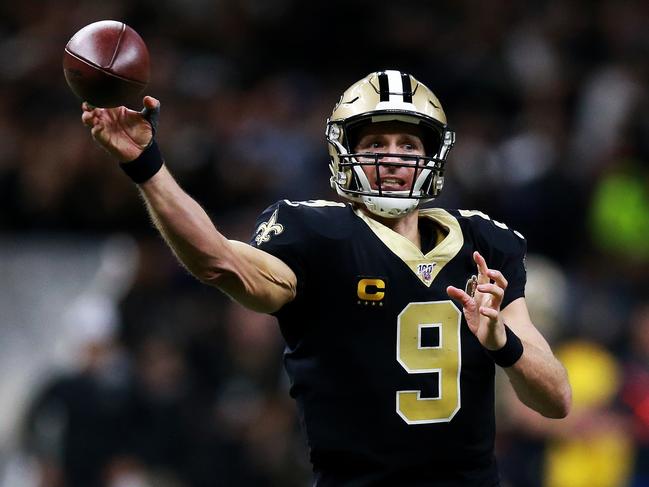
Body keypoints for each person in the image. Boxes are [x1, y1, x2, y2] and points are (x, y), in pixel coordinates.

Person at [81, 69, 572, 486]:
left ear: (433, 155)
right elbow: (218, 262)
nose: (392, 157)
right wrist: (148, 167)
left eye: (408, 143)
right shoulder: (316, 235)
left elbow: (555, 399)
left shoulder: (484, 244)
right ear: (344, 152)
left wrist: (501, 341)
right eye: (376, 142)